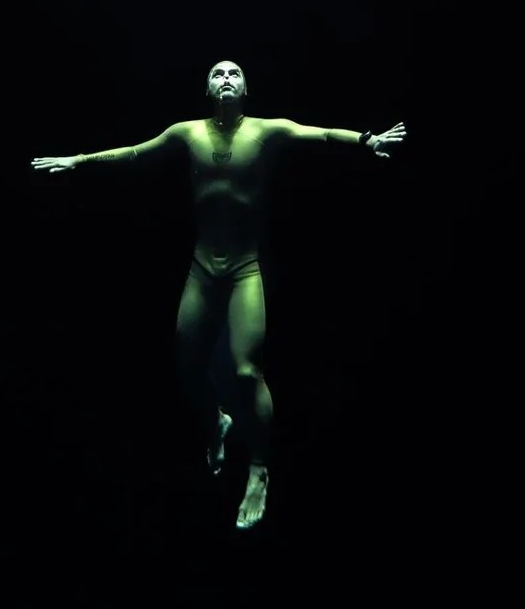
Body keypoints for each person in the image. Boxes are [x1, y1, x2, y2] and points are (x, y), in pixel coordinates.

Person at [32, 60, 406, 529]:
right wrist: (79, 160)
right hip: (202, 269)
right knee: (187, 367)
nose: (226, 77)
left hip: (245, 270)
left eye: (234, 73)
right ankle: (217, 422)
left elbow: (323, 134)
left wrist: (367, 140)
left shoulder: (268, 130)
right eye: (217, 73)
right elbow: (133, 153)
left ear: (246, 87)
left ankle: (259, 467)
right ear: (207, 89)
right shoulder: (185, 132)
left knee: (247, 371)